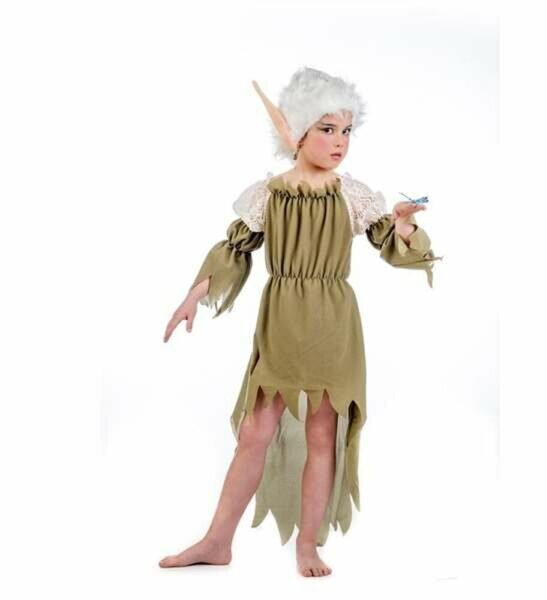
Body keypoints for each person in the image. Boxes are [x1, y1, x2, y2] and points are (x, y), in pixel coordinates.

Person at [159, 66, 443, 577]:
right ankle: (217, 541)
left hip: (333, 324)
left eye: (347, 130)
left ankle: (308, 546)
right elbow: (234, 250)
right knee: (254, 432)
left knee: (320, 434)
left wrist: (403, 225)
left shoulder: (352, 195)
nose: (340, 141)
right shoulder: (269, 194)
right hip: (282, 324)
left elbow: (389, 244)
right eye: (327, 129)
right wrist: (192, 297)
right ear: (296, 132)